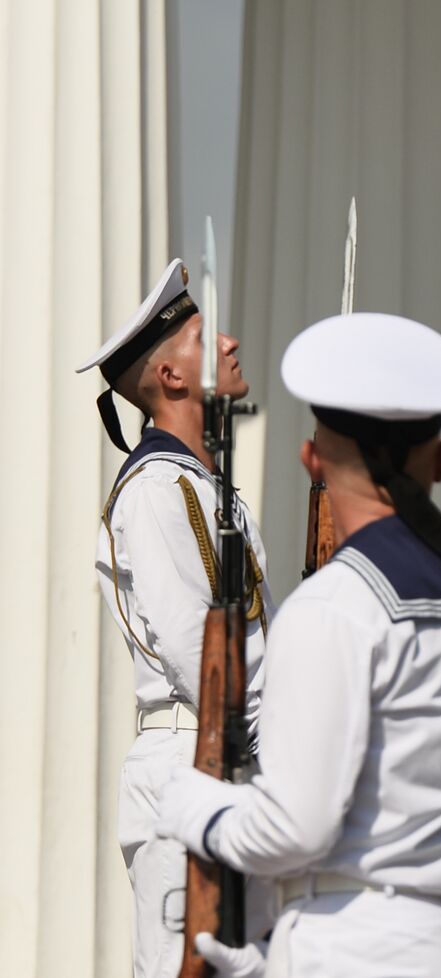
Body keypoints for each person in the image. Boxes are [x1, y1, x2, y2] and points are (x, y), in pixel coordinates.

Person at [153, 312, 441, 977]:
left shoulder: (334, 607)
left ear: (312, 457)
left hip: (361, 947)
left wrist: (196, 807)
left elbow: (295, 829)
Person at [76, 259, 273, 978]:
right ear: (172, 379)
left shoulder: (203, 486)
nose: (229, 343)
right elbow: (200, 656)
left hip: (232, 760)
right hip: (196, 756)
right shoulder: (160, 491)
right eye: (203, 337)